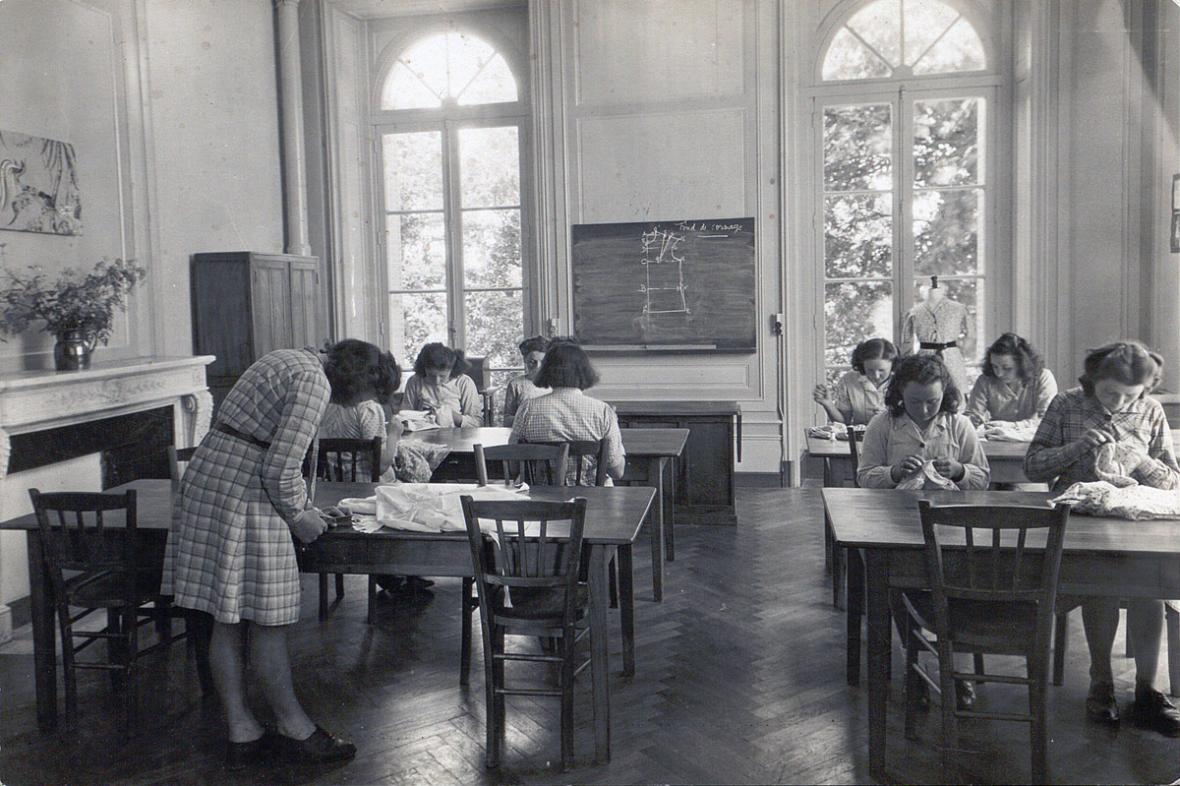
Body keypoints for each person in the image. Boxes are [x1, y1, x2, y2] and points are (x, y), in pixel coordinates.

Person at [163, 343, 380, 768]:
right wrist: (300, 515)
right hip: (242, 495)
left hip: (213, 484)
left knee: (226, 618)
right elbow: (279, 469)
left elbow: (269, 448)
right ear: (355, 380)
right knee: (269, 618)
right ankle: (294, 728)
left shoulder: (290, 358)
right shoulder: (315, 382)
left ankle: (241, 730)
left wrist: (307, 507)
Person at [1024, 340, 1180, 736]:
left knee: (1152, 591)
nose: (1119, 403)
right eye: (1110, 393)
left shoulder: (1150, 410)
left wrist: (1141, 460)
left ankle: (1147, 691)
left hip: (1135, 521)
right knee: (1101, 588)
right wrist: (1075, 448)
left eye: (1131, 395)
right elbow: (1032, 466)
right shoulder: (1067, 405)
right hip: (1079, 521)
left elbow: (1174, 482)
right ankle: (1102, 683)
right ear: (1093, 379)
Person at [857, 353, 990, 709]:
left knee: (957, 587)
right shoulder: (883, 425)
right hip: (897, 524)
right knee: (898, 588)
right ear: (900, 393)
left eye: (933, 400)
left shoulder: (959, 425)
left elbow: (983, 479)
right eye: (916, 402)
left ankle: (953, 670)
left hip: (949, 527)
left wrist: (960, 470)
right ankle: (916, 664)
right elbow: (865, 477)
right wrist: (895, 473)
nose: (926, 409)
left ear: (944, 393)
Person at [316, 342, 438, 595]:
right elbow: (381, 464)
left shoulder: (326, 401)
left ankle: (398, 571)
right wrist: (394, 432)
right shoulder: (367, 409)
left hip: (334, 484)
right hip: (368, 486)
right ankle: (400, 567)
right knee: (414, 497)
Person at [509, 341, 626, 484]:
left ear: (546, 371)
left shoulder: (527, 409)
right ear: (584, 371)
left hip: (542, 499)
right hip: (593, 500)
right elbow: (617, 471)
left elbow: (514, 466)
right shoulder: (602, 412)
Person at [965, 332, 1058, 428]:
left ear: (1023, 365)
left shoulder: (1043, 377)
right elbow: (973, 415)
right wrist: (972, 420)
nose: (999, 374)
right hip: (995, 439)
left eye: (1007, 368)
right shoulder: (985, 381)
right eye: (995, 366)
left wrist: (1010, 426)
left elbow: (1047, 420)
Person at [813, 338, 898, 425]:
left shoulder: (902, 382)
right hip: (861, 437)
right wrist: (828, 404)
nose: (876, 375)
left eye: (881, 370)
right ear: (862, 365)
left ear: (892, 366)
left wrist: (891, 416)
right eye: (870, 370)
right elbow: (843, 423)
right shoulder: (849, 380)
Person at [402, 342, 483, 428]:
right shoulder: (415, 381)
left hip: (457, 437)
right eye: (431, 375)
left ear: (452, 370)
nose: (437, 381)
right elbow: (404, 417)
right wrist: (421, 416)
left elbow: (477, 423)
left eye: (442, 376)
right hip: (422, 437)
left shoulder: (464, 382)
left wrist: (451, 415)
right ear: (423, 368)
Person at [502, 335, 550, 426]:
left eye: (542, 362)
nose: (538, 367)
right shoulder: (516, 385)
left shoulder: (557, 384)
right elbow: (507, 421)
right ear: (525, 360)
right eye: (532, 362)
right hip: (523, 437)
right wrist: (531, 420)